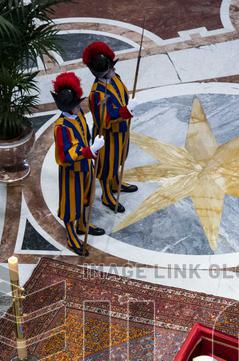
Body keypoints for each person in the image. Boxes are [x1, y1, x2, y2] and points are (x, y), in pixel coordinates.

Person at [52, 72, 106, 256]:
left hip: (85, 167)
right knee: (70, 205)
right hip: (71, 172)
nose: (79, 106)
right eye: (76, 105)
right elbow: (66, 155)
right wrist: (89, 151)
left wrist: (93, 145)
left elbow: (85, 134)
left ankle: (83, 225)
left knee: (86, 198)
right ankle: (71, 234)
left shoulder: (79, 114)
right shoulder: (61, 127)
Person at [83, 41, 138, 213]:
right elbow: (103, 119)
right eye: (107, 71)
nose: (111, 72)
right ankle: (107, 194)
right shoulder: (97, 93)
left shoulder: (116, 77)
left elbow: (123, 95)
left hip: (122, 131)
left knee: (120, 159)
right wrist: (124, 112)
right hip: (107, 136)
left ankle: (116, 183)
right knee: (107, 166)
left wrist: (128, 106)